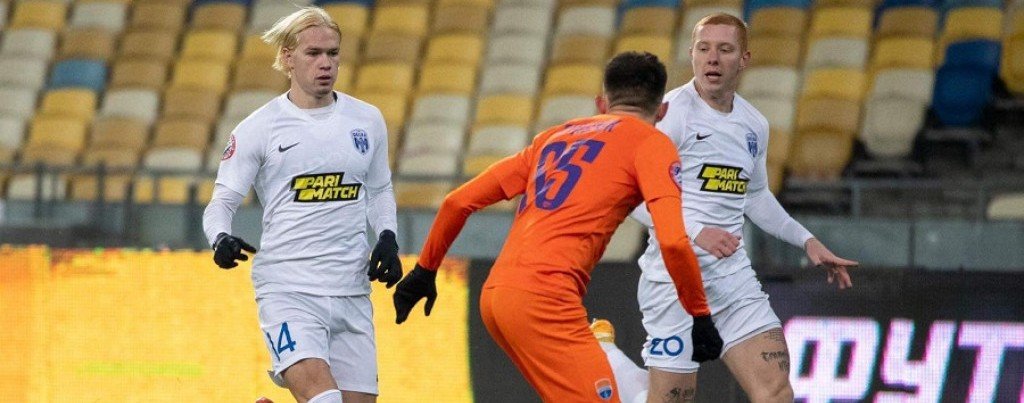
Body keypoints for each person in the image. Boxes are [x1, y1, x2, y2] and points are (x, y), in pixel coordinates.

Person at [390, 52, 725, 402]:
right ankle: (602, 350)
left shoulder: (554, 137)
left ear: (602, 103)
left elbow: (457, 202)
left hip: (497, 296)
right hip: (545, 302)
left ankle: (602, 351)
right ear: (662, 111)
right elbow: (673, 242)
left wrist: (424, 271)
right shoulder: (651, 142)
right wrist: (699, 314)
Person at [598, 13, 860, 403]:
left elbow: (755, 196)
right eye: (704, 49)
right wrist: (695, 231)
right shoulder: (671, 114)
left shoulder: (753, 125)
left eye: (725, 49)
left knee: (776, 391)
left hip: (732, 281)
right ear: (692, 55)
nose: (713, 58)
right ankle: (606, 355)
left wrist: (806, 240)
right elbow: (631, 195)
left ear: (744, 59)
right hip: (673, 281)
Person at [201, 7, 401, 403]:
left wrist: (388, 237)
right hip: (289, 290)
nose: (326, 63)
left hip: (351, 289)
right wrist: (219, 238)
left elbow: (379, 190)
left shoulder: (367, 119)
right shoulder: (259, 127)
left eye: (333, 53)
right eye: (314, 53)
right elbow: (221, 201)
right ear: (288, 57)